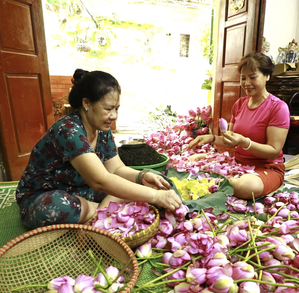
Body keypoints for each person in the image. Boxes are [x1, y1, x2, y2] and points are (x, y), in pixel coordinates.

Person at [16, 69, 182, 229]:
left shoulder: (102, 130)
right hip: (46, 195)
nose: (114, 116)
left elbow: (116, 169)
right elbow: (100, 180)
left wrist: (141, 176)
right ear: (87, 103)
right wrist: (156, 197)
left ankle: (99, 214)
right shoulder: (68, 130)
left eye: (117, 108)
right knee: (58, 206)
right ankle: (104, 214)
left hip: (81, 191)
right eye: (108, 109)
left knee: (140, 185)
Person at [186, 52, 290, 200]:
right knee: (192, 160)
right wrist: (212, 138)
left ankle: (215, 182)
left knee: (245, 187)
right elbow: (231, 140)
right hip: (238, 163)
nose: (246, 82)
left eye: (252, 77)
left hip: (266, 168)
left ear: (267, 76)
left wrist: (244, 142)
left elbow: (273, 151)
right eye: (243, 78)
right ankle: (219, 181)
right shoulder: (240, 104)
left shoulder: (278, 108)